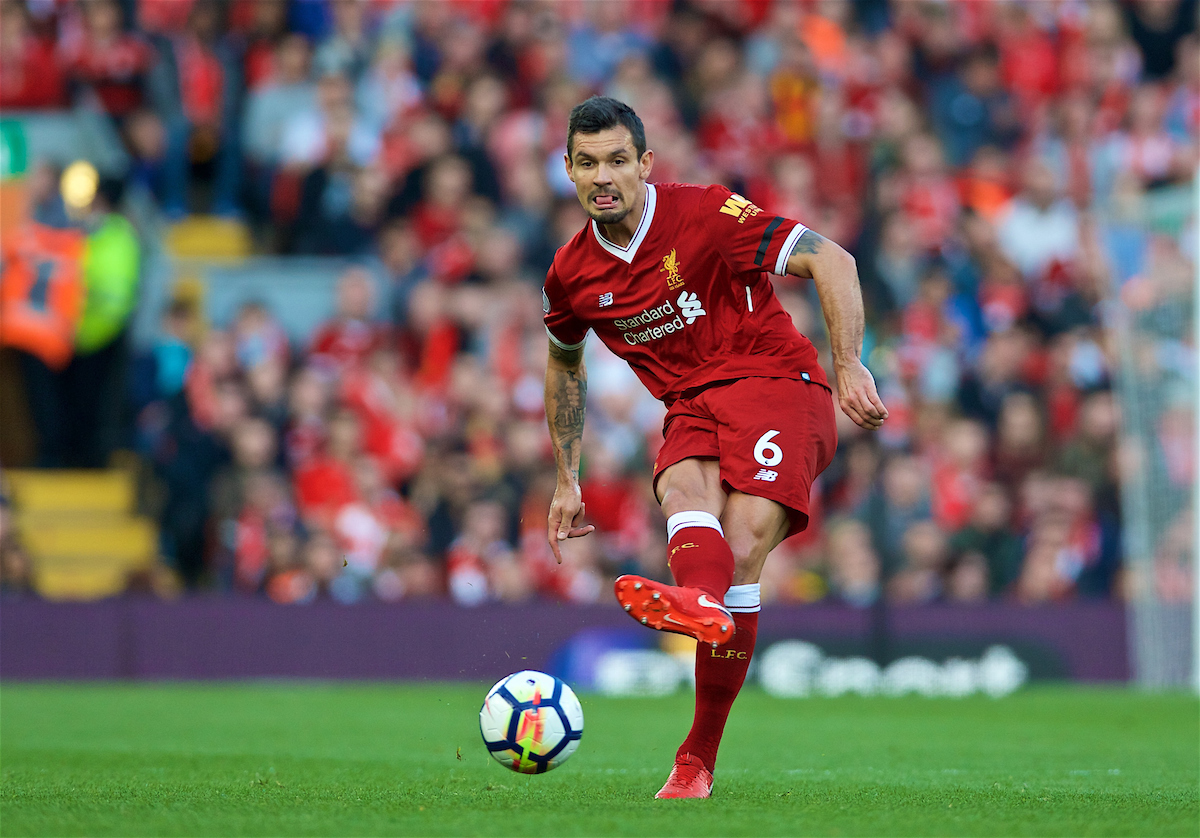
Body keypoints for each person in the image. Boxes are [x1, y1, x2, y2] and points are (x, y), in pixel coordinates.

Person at [542, 97, 887, 799]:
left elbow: (832, 257)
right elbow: (565, 364)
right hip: (689, 404)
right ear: (568, 171)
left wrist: (848, 364)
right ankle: (700, 629)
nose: (602, 176)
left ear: (644, 164)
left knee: (745, 537)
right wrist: (566, 476)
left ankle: (697, 744)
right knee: (680, 491)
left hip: (774, 380)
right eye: (586, 163)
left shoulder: (704, 214)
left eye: (616, 160)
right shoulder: (571, 274)